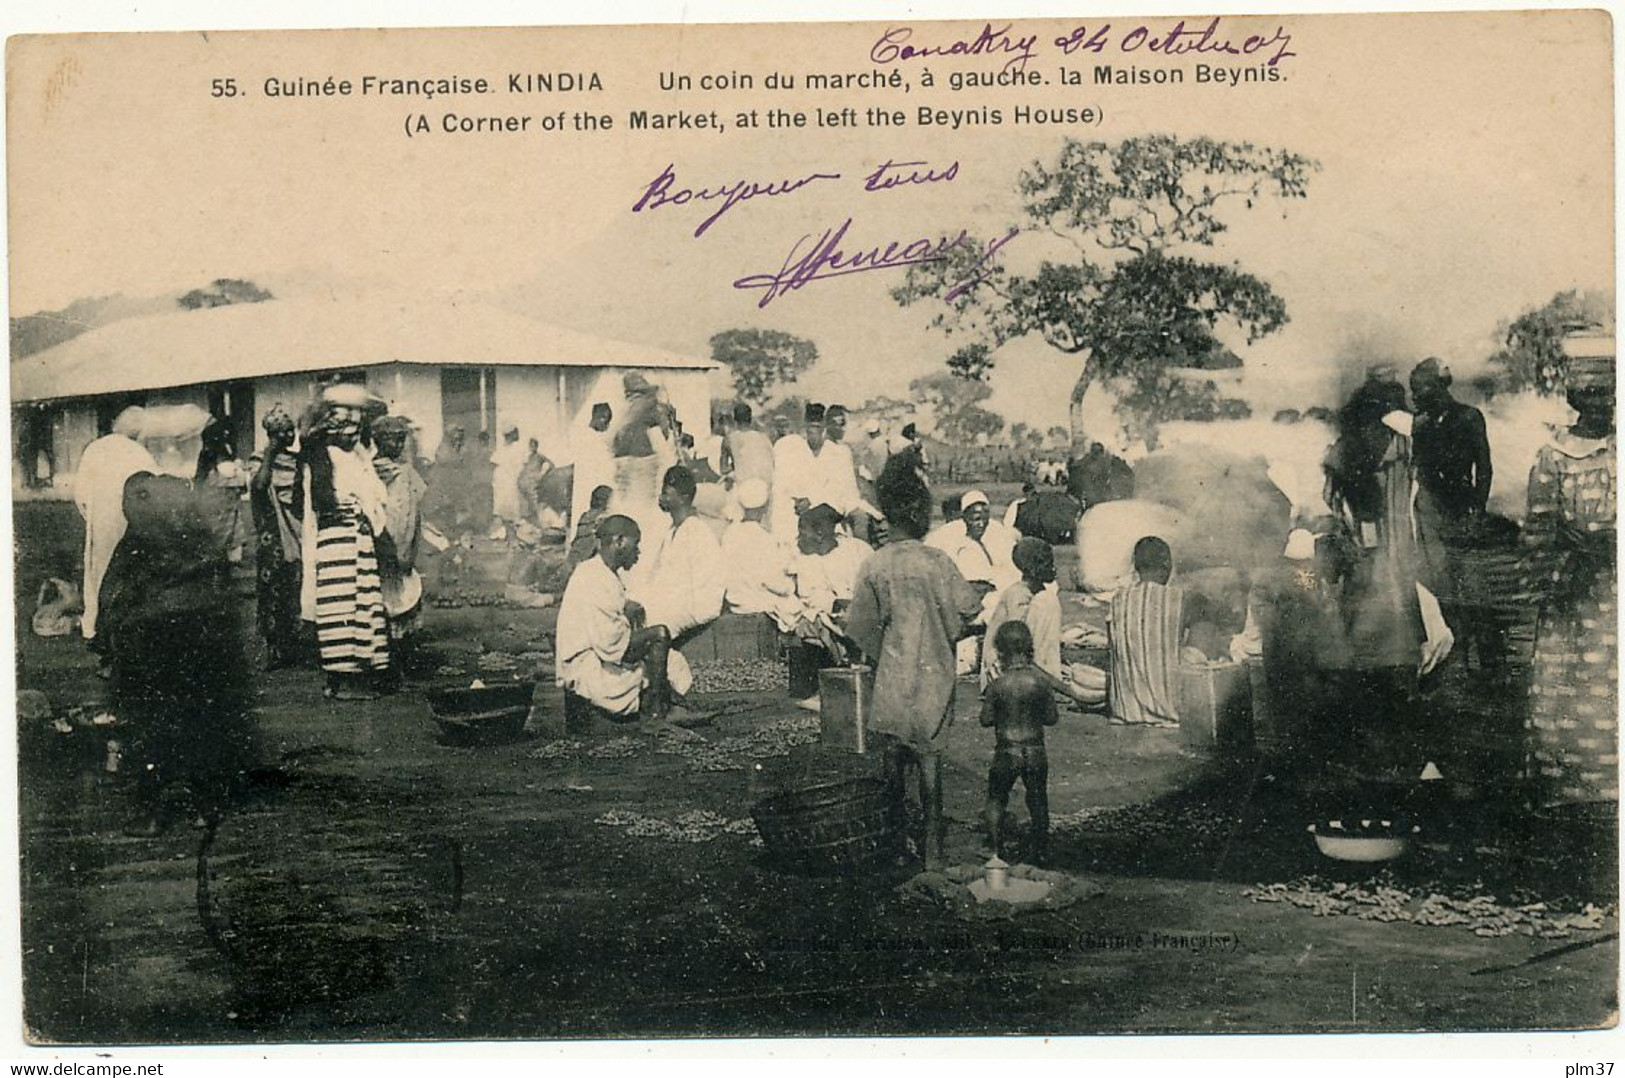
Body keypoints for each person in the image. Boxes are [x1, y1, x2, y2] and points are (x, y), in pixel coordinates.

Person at [98, 404, 252, 836]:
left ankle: (151, 809)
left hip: (151, 622)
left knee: (148, 719)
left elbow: (122, 571)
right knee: (200, 715)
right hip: (199, 619)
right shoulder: (201, 494)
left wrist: (109, 628)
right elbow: (219, 556)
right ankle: (204, 804)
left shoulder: (140, 490)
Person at [846, 455, 982, 868]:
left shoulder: (875, 564)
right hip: (934, 674)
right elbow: (968, 608)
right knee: (929, 764)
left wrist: (882, 651)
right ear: (921, 516)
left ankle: (893, 841)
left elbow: (859, 628)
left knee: (892, 762)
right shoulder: (938, 562)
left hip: (891, 674)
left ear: (888, 515)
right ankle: (933, 849)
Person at [1321, 370, 1455, 780]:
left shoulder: (1385, 447)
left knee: (1385, 663)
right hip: (1385, 571)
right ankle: (1395, 756)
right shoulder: (1392, 447)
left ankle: (1386, 754)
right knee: (1397, 662)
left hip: (1386, 571)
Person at [1523, 349, 1617, 815]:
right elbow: (1537, 526)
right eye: (1592, 394)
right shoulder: (1554, 455)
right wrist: (1567, 547)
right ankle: (1573, 791)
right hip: (1575, 586)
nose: (1602, 404)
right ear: (1575, 397)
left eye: (1609, 394)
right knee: (1575, 679)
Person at [300, 384, 392, 701]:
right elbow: (325, 500)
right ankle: (347, 681)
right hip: (339, 537)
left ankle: (347, 679)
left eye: (355, 427)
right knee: (343, 605)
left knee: (355, 604)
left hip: (352, 537)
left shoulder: (356, 456)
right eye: (343, 426)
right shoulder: (322, 454)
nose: (351, 432)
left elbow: (374, 494)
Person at [555, 514, 688, 725]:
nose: (638, 552)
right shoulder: (593, 577)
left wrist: (628, 607)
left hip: (600, 658)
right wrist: (649, 636)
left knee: (672, 662)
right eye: (636, 545)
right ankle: (655, 712)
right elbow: (611, 643)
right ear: (619, 542)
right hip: (589, 669)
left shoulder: (600, 572)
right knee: (660, 635)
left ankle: (666, 703)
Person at [73, 405, 155, 666]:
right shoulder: (140, 453)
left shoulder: (95, 449)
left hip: (101, 524)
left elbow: (81, 495)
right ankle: (126, 635)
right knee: (129, 577)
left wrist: (93, 520)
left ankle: (95, 629)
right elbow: (153, 490)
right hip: (131, 523)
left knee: (99, 574)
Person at [983, 537, 1107, 708]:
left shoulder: (1034, 592)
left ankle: (1048, 680)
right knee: (1047, 601)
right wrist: (1068, 690)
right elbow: (1013, 651)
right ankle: (1045, 686)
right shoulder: (1019, 594)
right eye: (1048, 563)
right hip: (1004, 673)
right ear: (1032, 568)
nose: (1053, 568)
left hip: (1022, 667)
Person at [980, 620, 1061, 865]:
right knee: (1037, 799)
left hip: (1006, 750)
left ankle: (995, 850)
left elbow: (985, 720)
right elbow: (1051, 718)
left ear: (1000, 650)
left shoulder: (997, 686)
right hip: (1035, 750)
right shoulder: (1040, 683)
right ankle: (1041, 851)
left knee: (996, 798)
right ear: (1028, 647)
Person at [628, 465, 726, 645]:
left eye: (666, 493)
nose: (661, 498)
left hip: (692, 609)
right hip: (669, 604)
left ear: (683, 498)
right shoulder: (671, 531)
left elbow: (705, 596)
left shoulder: (697, 532)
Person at [249, 405, 307, 670]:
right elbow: (260, 487)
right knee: (272, 590)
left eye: (290, 430)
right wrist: (270, 454)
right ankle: (274, 648)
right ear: (270, 434)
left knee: (296, 586)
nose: (287, 435)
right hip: (272, 535)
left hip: (296, 531)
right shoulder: (259, 460)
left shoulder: (296, 460)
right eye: (281, 432)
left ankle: (295, 646)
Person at [1107, 537, 1186, 728]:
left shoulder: (1118, 598)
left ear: (1136, 566)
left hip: (1125, 711)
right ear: (1167, 563)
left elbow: (1112, 648)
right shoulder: (1178, 597)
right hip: (1170, 712)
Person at [372, 416, 428, 648]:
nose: (397, 446)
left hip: (406, 535)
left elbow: (417, 505)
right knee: (384, 590)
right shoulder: (372, 471)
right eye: (392, 440)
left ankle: (404, 644)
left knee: (405, 587)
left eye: (400, 441)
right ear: (379, 440)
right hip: (384, 536)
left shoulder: (406, 471)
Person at [720, 478, 802, 630]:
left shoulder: (730, 533)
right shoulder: (763, 538)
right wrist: (792, 586)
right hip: (757, 604)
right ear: (764, 508)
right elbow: (773, 582)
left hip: (736, 602)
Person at [568, 402, 615, 544]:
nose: (606, 424)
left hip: (594, 489)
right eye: (603, 419)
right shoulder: (587, 438)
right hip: (588, 486)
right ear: (595, 416)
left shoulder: (597, 439)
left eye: (608, 421)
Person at [721, 401, 775, 503]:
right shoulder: (764, 438)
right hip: (764, 489)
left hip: (743, 489)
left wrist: (734, 466)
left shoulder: (729, 439)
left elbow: (723, 469)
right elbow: (772, 463)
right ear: (751, 419)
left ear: (735, 419)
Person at [490, 425, 529, 540]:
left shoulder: (517, 448)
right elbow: (495, 462)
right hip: (505, 480)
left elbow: (521, 465)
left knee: (513, 505)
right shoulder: (504, 449)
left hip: (511, 479)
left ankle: (513, 532)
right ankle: (508, 531)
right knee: (505, 505)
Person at [516, 437, 557, 528]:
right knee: (525, 504)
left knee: (535, 503)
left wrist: (542, 474)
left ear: (537, 446)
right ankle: (530, 523)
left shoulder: (540, 456)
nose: (532, 447)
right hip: (526, 481)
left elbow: (551, 464)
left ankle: (541, 524)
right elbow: (524, 468)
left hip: (534, 482)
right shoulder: (528, 457)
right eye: (531, 445)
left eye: (534, 445)